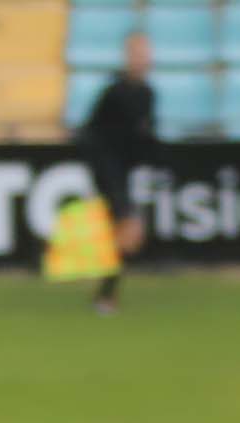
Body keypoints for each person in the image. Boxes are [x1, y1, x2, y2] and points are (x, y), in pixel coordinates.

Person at [76, 33, 156, 317]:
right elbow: (91, 133)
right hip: (108, 171)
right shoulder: (114, 93)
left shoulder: (148, 94)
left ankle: (105, 291)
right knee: (129, 229)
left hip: (124, 172)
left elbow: (144, 137)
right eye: (137, 52)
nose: (142, 58)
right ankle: (105, 295)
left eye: (145, 52)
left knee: (123, 233)